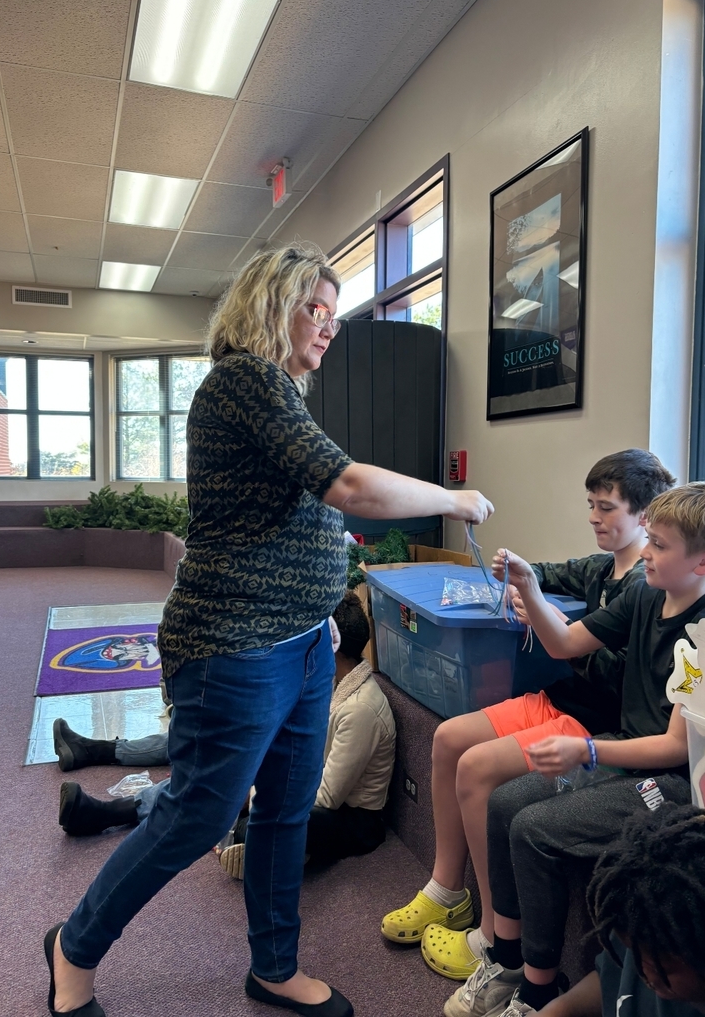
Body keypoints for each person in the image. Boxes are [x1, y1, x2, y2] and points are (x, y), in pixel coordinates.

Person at [43, 243, 493, 1017]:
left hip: (302, 643)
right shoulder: (245, 381)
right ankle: (71, 949)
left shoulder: (281, 393)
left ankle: (275, 967)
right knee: (200, 815)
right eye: (312, 308)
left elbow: (300, 503)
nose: (328, 326)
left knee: (286, 811)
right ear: (266, 306)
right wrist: (455, 499)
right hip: (235, 647)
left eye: (334, 313)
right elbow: (347, 482)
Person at [380, 450, 674, 978]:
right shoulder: (602, 568)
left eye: (606, 508)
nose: (593, 517)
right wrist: (518, 573)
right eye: (591, 505)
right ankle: (447, 889)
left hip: (593, 723)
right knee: (448, 738)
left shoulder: (647, 589)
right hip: (558, 699)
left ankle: (494, 933)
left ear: (646, 516)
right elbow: (547, 575)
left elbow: (611, 674)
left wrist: (543, 610)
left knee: (475, 768)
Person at [438, 481, 705, 1017]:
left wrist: (586, 751)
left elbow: (672, 747)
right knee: (503, 802)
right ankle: (508, 957)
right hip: (618, 748)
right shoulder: (644, 593)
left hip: (670, 782)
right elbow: (564, 643)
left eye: (659, 545)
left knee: (534, 828)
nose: (647, 553)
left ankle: (539, 988)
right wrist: (528, 585)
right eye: (650, 540)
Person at [57, 592, 397, 875]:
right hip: (306, 784)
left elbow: (327, 797)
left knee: (253, 812)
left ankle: (259, 845)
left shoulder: (359, 710)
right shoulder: (328, 679)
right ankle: (116, 800)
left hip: (347, 820)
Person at [540, 803, 705, 1017]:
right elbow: (611, 978)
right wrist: (556, 1011)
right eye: (635, 958)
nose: (647, 977)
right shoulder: (646, 925)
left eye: (663, 970)